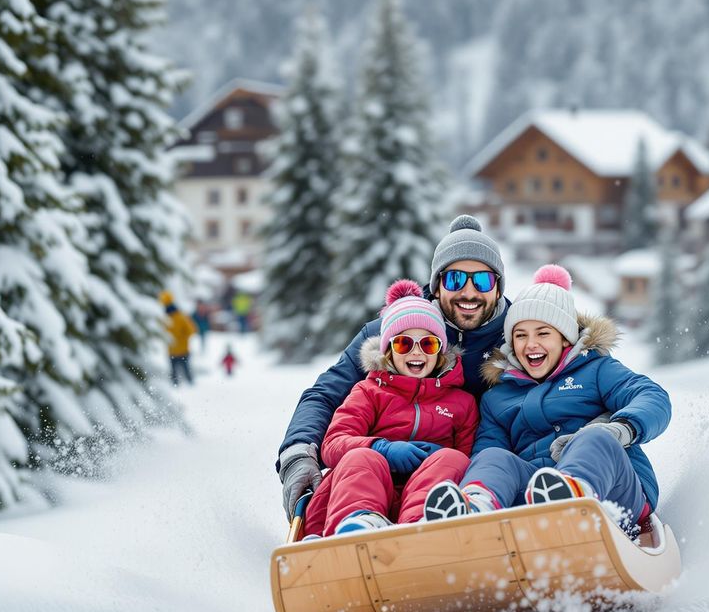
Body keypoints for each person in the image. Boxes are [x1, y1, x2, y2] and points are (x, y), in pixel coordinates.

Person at [276, 215, 510, 521]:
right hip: (374, 472)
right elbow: (326, 395)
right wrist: (298, 453)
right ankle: (354, 524)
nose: (468, 292)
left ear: (498, 287)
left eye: (482, 280)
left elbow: (561, 388)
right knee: (361, 464)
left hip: (452, 477)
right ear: (437, 285)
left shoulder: (520, 337)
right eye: (454, 279)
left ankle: (426, 526)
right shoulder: (391, 332)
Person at [422, 265, 671, 537]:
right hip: (535, 497)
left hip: (615, 492)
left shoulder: (596, 370)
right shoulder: (498, 397)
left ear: (564, 338)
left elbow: (651, 396)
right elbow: (488, 455)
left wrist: (620, 428)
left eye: (543, 333)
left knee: (592, 438)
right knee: (492, 457)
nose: (531, 344)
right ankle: (475, 510)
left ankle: (573, 500)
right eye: (520, 335)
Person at [300, 281, 478, 536]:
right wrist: (380, 448)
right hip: (366, 491)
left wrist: (440, 458)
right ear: (388, 351)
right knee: (362, 458)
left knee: (453, 459)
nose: (416, 352)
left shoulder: (462, 403)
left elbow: (468, 461)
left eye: (428, 344)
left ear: (440, 351)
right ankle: (357, 524)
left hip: (423, 494)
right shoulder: (369, 392)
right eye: (404, 344)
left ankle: (423, 523)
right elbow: (333, 444)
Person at [161, 291, 196, 386]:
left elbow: (191, 330)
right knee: (176, 371)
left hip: (181, 350)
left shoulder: (180, 317)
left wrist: (182, 337)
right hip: (174, 350)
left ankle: (189, 384)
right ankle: (181, 384)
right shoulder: (167, 317)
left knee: (183, 369)